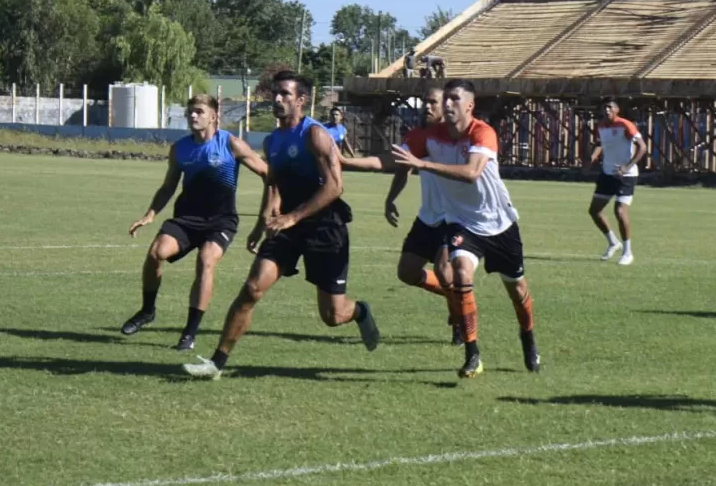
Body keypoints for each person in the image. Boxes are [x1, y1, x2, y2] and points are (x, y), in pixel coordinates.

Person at [183, 71, 380, 380]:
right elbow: (274, 182)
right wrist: (263, 221)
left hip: (326, 227)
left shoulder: (314, 135)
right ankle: (217, 363)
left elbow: (335, 187)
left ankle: (360, 311)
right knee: (251, 289)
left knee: (333, 314)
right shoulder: (272, 140)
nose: (277, 99)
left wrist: (293, 216)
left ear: (301, 100)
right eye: (275, 93)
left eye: (285, 94)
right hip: (287, 228)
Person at [390, 79, 539, 379]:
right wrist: (341, 161)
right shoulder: (430, 136)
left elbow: (472, 172)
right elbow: (391, 159)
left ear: (470, 105)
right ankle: (473, 353)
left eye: (454, 99)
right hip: (463, 223)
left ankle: (528, 336)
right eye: (445, 98)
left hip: (499, 224)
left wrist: (423, 164)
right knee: (459, 271)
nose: (447, 104)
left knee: (517, 289)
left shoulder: (482, 132)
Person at [122, 94, 268, 351]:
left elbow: (267, 173)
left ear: (214, 116)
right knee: (156, 253)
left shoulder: (231, 144)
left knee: (206, 261)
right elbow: (169, 186)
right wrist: (150, 214)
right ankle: (147, 311)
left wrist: (271, 209)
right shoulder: (180, 149)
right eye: (190, 112)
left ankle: (189, 333)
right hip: (186, 218)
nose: (192, 116)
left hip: (221, 221)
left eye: (199, 111)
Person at [339, 87, 462, 345]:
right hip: (428, 217)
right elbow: (395, 164)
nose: (426, 106)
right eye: (425, 102)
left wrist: (345, 162)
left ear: (446, 106)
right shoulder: (419, 136)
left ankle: (461, 319)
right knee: (407, 273)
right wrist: (390, 198)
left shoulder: (456, 135)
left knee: (443, 269)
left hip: (453, 218)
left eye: (433, 102)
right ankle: (458, 296)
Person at [585, 99, 647, 266]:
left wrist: (627, 167)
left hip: (626, 176)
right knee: (594, 211)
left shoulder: (626, 125)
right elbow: (601, 143)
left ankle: (628, 253)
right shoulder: (601, 126)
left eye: (610, 107)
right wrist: (592, 157)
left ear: (617, 110)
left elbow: (642, 147)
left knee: (619, 211)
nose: (606, 110)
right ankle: (613, 242)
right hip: (607, 174)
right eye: (604, 107)